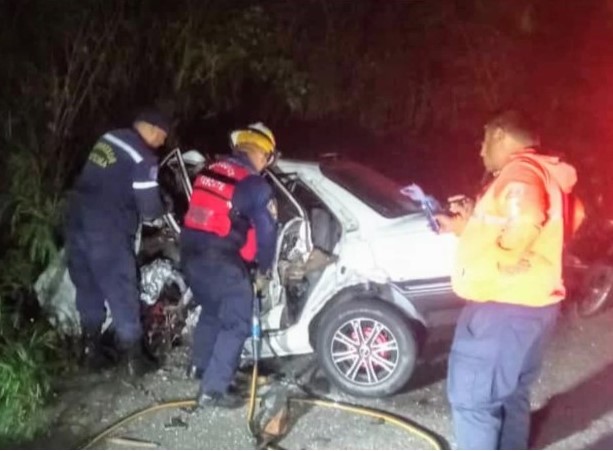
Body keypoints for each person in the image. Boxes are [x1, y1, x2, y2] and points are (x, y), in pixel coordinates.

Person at [436, 110, 585, 449]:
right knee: (511, 394)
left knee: (474, 403)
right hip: (535, 307)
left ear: (501, 134)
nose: (481, 150)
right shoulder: (550, 173)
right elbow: (572, 219)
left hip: (503, 309)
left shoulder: (521, 172)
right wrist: (471, 224)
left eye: (485, 139)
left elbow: (528, 218)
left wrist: (499, 261)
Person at [181, 122, 278, 408]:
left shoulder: (209, 171)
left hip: (189, 255)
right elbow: (267, 232)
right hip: (219, 258)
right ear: (264, 154)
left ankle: (199, 368)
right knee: (236, 322)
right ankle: (213, 390)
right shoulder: (254, 183)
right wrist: (264, 270)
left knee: (212, 311)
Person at [65, 109, 170, 376]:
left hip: (76, 218)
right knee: (121, 286)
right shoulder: (143, 157)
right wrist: (164, 207)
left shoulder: (109, 138)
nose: (161, 143)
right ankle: (134, 359)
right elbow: (149, 209)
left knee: (87, 285)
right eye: (163, 137)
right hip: (106, 226)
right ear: (156, 130)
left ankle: (91, 351)